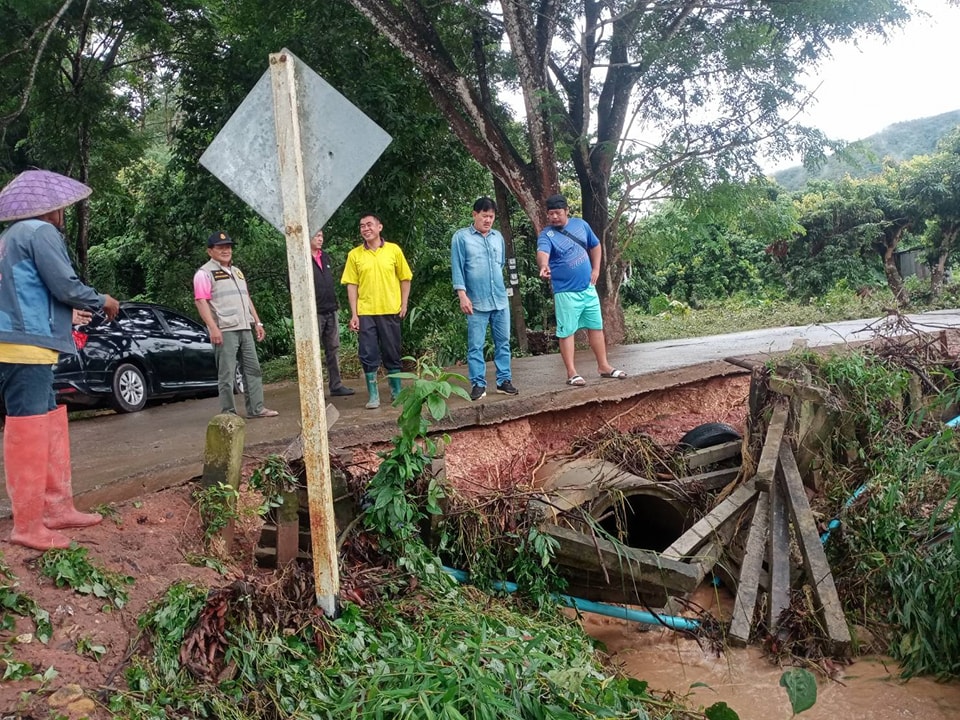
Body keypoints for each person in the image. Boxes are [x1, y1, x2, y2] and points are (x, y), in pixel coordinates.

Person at [0, 169, 121, 550]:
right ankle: (28, 523)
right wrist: (103, 300)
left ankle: (56, 506)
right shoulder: (42, 232)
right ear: (53, 209)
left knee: (48, 415)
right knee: (29, 426)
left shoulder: (10, 237)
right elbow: (64, 284)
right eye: (64, 208)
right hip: (25, 345)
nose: (65, 213)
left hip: (20, 341)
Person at [536, 193, 627, 386]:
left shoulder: (581, 225)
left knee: (596, 327)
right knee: (567, 331)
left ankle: (604, 366)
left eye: (557, 213)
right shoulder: (547, 235)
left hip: (587, 289)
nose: (554, 217)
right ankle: (571, 373)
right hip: (566, 292)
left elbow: (595, 246)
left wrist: (596, 269)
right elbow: (542, 252)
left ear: (567, 211)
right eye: (550, 214)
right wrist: (544, 266)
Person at [193, 231, 278, 418]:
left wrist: (257, 322)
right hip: (225, 329)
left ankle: (256, 408)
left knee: (253, 369)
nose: (226, 250)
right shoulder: (204, 273)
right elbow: (201, 301)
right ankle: (228, 413)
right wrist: (213, 328)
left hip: (244, 326)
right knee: (227, 373)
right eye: (220, 247)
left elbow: (246, 298)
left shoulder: (237, 272)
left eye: (228, 247)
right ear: (210, 251)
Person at [341, 214, 412, 409]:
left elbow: (405, 278)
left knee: (392, 351)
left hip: (390, 309)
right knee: (368, 353)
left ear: (379, 227)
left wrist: (404, 304)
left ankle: (396, 391)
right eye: (362, 226)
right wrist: (354, 314)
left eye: (369, 225)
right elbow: (351, 285)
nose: (365, 229)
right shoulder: (354, 255)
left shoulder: (393, 250)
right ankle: (373, 395)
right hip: (366, 312)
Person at [451, 197, 518, 401]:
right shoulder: (461, 238)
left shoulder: (498, 237)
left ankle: (503, 381)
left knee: (503, 342)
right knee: (476, 345)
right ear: (474, 214)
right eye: (484, 215)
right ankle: (478, 384)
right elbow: (457, 267)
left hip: (499, 299)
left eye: (491, 216)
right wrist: (462, 295)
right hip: (476, 301)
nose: (488, 220)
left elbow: (500, 265)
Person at [310, 229, 354, 397]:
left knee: (333, 348)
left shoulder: (325, 256)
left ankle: (336, 385)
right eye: (317, 236)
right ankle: (313, 388)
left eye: (321, 236)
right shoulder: (301, 258)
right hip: (314, 312)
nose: (320, 239)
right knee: (313, 350)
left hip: (331, 308)